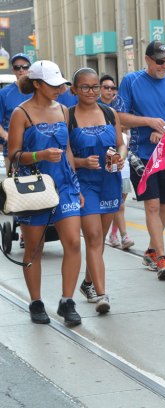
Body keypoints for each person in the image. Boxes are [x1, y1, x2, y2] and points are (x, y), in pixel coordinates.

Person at [8, 60, 82, 326]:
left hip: (64, 185)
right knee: (34, 250)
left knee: (73, 242)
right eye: (53, 85)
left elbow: (69, 151)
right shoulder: (21, 113)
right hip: (33, 188)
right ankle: (36, 302)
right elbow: (13, 158)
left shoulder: (63, 110)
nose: (60, 89)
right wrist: (40, 154)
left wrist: (76, 185)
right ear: (37, 84)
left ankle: (67, 301)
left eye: (60, 84)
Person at [113, 40, 165, 280]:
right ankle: (162, 256)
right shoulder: (131, 81)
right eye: (160, 61)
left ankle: (151, 249)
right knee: (152, 205)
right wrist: (148, 121)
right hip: (143, 155)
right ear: (147, 60)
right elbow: (119, 116)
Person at [68, 68, 126, 313]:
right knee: (92, 237)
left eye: (95, 87)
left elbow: (121, 145)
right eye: (85, 87)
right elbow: (65, 154)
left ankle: (88, 282)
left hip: (109, 182)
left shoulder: (110, 113)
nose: (91, 92)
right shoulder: (67, 116)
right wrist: (81, 163)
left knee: (99, 240)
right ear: (74, 89)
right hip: (84, 184)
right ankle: (102, 295)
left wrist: (121, 159)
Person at [100, 75, 134, 249]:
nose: (110, 91)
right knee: (117, 203)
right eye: (106, 87)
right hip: (105, 159)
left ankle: (113, 234)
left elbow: (126, 127)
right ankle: (123, 235)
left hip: (122, 159)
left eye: (112, 88)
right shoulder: (95, 106)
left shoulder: (120, 105)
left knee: (121, 200)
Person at [1, 53, 32, 171]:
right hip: (13, 150)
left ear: (30, 68)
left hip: (37, 148)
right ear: (12, 70)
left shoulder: (39, 90)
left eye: (25, 66)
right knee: (14, 187)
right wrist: (6, 135)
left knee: (41, 186)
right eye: (17, 67)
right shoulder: (4, 93)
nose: (21, 70)